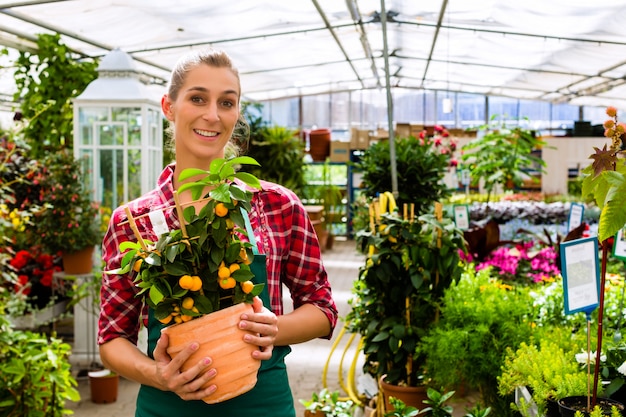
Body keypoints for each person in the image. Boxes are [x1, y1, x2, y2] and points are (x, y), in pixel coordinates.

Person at [98, 48, 338, 417]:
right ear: (169, 106)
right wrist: (158, 374)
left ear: (236, 112)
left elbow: (321, 306)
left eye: (227, 102)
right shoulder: (134, 221)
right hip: (168, 407)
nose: (212, 115)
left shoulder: (277, 206)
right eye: (197, 98)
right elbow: (113, 336)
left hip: (263, 405)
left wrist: (275, 329)